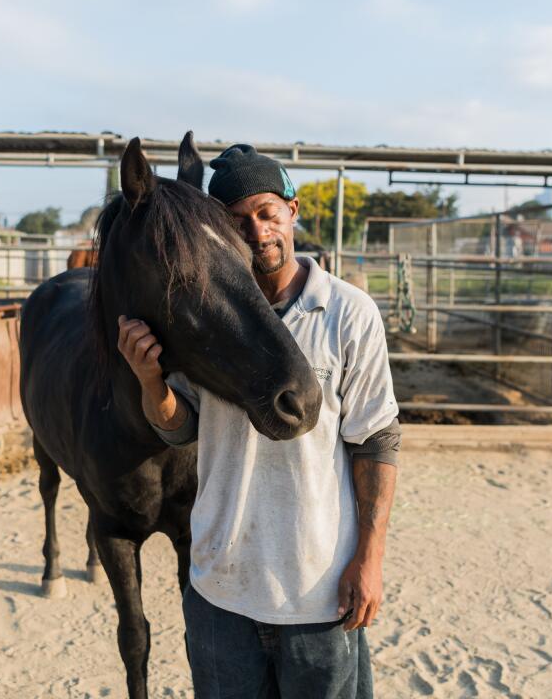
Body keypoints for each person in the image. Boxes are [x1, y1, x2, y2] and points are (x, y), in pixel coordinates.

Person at [116, 144, 400, 698]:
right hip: (220, 589)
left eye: (267, 212)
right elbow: (178, 427)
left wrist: (370, 558)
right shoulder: (197, 315)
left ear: (293, 210)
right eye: (237, 221)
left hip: (319, 589)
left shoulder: (347, 312)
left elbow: (375, 441)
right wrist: (149, 380)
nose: (258, 231)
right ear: (218, 231)